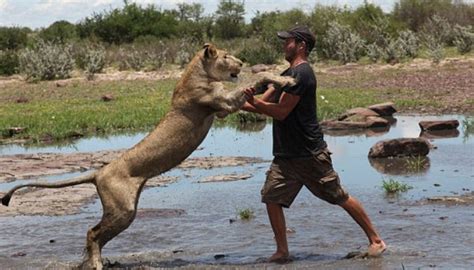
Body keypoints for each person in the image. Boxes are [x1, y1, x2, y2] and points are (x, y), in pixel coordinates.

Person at [241, 25, 386, 263]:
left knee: (338, 196)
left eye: (287, 41)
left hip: (309, 154)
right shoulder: (285, 74)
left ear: (301, 46)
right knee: (271, 198)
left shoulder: (302, 75)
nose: (283, 45)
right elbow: (259, 103)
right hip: (286, 156)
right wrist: (231, 102)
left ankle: (376, 240)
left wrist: (252, 103)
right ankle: (282, 251)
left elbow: (281, 112)